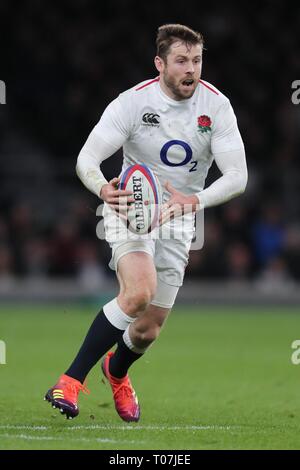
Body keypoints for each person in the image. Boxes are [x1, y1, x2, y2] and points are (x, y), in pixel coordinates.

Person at [45, 24, 247, 421]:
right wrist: (104, 189)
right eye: (182, 61)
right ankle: (69, 381)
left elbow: (237, 176)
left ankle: (116, 371)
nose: (192, 69)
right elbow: (86, 159)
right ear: (160, 64)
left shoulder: (216, 106)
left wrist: (195, 200)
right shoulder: (131, 104)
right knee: (138, 293)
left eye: (197, 60)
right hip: (130, 209)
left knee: (147, 330)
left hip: (180, 218)